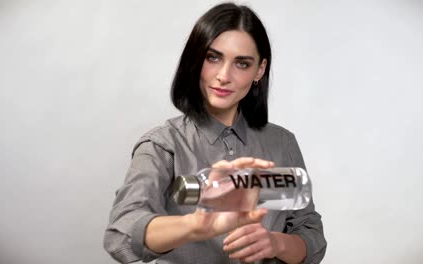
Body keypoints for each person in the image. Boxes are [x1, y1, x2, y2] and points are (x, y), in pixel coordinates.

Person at [104, 2, 327, 263]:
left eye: (241, 64)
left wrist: (276, 242)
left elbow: (311, 236)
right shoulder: (163, 145)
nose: (223, 75)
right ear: (196, 59)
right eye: (213, 57)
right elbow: (121, 235)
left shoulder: (281, 143)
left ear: (260, 70)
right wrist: (194, 226)